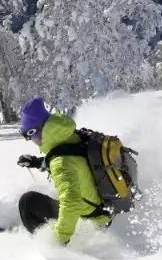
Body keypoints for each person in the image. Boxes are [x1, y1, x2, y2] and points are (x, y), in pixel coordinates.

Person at [15, 97, 111, 244]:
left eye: (29, 135)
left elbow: (71, 201)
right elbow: (74, 159)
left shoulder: (60, 162)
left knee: (28, 202)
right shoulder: (73, 137)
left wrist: (59, 240)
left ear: (37, 131)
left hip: (90, 221)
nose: (31, 141)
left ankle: (45, 240)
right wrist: (36, 162)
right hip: (104, 210)